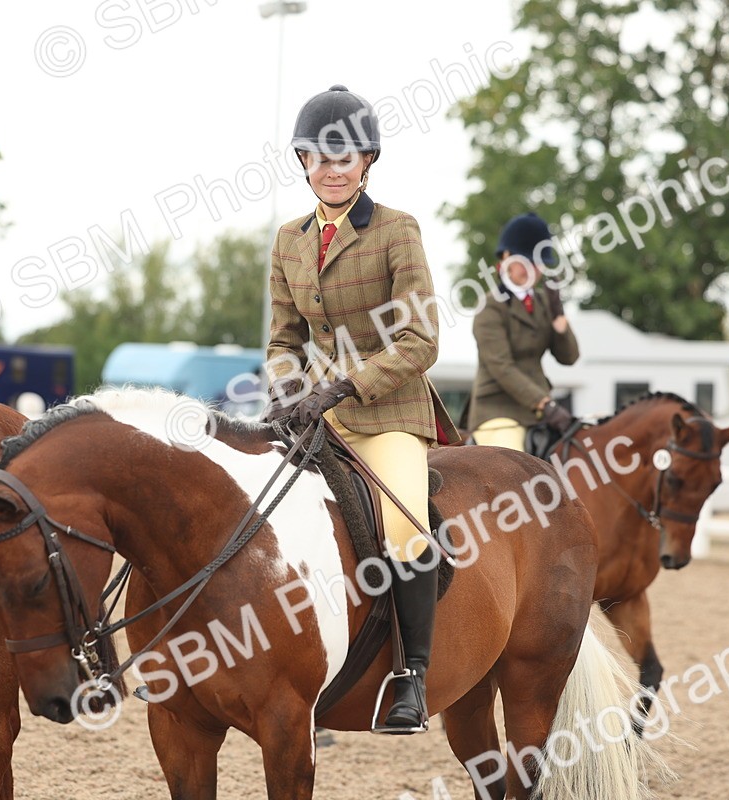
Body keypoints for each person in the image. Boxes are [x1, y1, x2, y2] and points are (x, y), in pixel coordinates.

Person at [262, 85, 461, 733]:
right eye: (318, 156)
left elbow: (420, 339)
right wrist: (286, 391)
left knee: (404, 528)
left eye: (344, 156)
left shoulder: (397, 230)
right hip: (312, 415)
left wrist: (344, 387)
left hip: (386, 412)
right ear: (302, 162)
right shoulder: (288, 240)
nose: (332, 166)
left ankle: (411, 676)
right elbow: (282, 340)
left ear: (368, 159)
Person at [467, 212, 579, 451]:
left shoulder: (544, 302)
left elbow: (569, 357)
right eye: (525, 261)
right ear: (506, 257)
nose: (533, 270)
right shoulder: (490, 307)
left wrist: (559, 320)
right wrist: (544, 404)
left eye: (538, 263)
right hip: (498, 410)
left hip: (540, 412)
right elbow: (501, 366)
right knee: (512, 468)